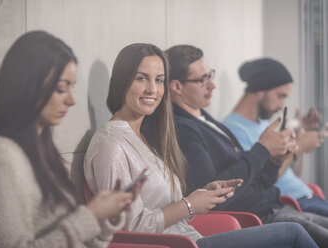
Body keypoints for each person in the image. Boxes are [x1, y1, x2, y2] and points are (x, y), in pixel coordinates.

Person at [84, 43, 318, 248]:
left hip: (191, 237)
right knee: (293, 233)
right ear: (122, 81)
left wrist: (204, 193)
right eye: (141, 78)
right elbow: (127, 228)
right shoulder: (111, 145)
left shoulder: (148, 138)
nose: (152, 90)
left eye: (159, 80)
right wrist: (189, 204)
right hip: (178, 245)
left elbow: (166, 206)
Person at [0, 31, 137, 248]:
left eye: (73, 87)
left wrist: (107, 217)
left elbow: (80, 241)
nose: (72, 99)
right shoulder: (0, 156)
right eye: (61, 88)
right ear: (27, 86)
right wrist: (89, 215)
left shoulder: (42, 149)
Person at [166, 44, 328, 247]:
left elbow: (258, 181)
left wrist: (273, 161)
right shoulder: (183, 129)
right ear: (176, 87)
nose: (212, 85)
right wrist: (263, 150)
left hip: (275, 208)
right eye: (202, 80)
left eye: (210, 75)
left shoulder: (205, 120)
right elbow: (210, 192)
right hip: (258, 217)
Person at [223, 58, 328, 217]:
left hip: (307, 196)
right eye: (280, 96)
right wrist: (298, 147)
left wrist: (299, 136)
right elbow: (259, 183)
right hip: (292, 203)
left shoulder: (263, 125)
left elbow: (294, 173)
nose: (281, 105)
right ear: (259, 90)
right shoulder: (233, 130)